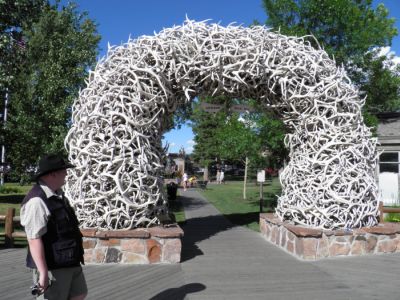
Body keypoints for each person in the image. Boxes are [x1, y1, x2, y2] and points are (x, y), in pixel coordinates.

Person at [20, 154, 87, 300]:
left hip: (70, 260)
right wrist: (43, 272)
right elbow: (33, 239)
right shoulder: (36, 201)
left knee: (79, 294)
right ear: (53, 174)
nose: (66, 174)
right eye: (64, 170)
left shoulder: (58, 195)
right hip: (53, 266)